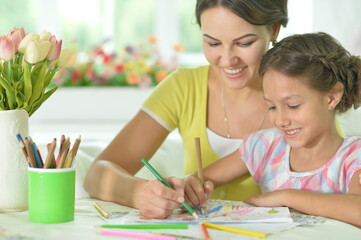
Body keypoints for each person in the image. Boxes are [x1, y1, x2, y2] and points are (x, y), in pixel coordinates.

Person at [83, 0, 288, 218]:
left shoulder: (306, 94)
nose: (228, 59)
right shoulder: (184, 87)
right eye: (213, 43)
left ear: (273, 29)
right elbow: (97, 175)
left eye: (244, 43)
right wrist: (141, 193)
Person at [184, 32, 361, 227]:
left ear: (332, 97)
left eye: (293, 105)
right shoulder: (266, 146)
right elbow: (198, 181)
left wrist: (286, 197)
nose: (280, 120)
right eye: (272, 107)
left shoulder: (353, 157)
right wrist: (185, 187)